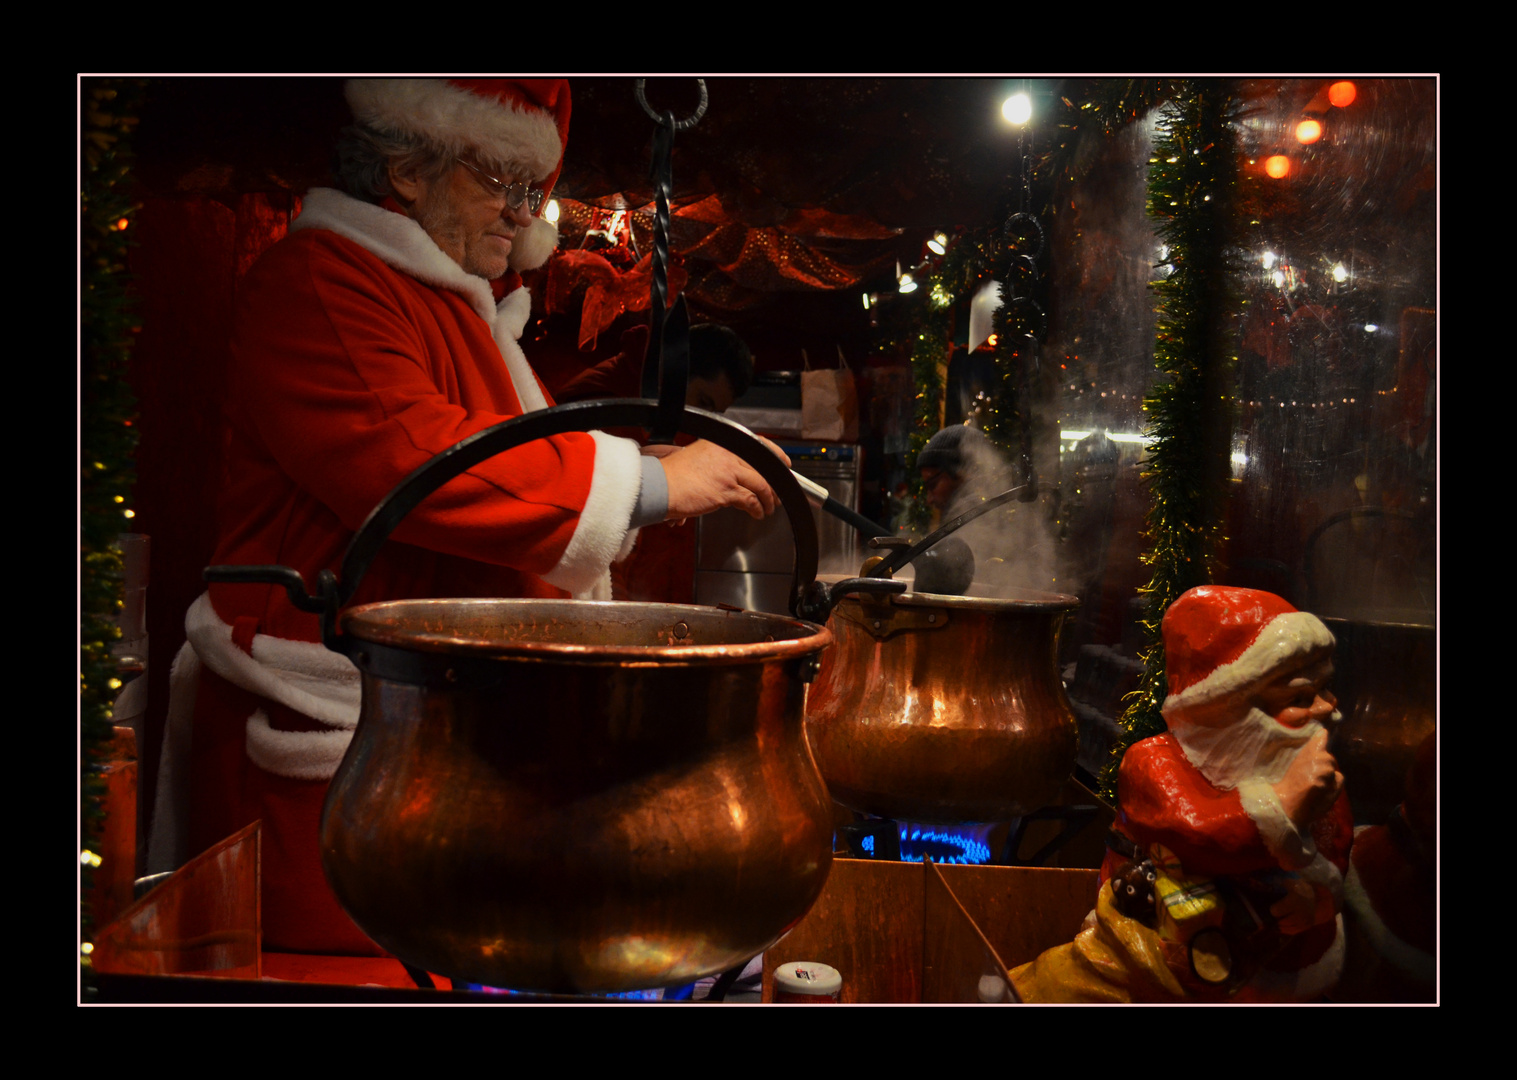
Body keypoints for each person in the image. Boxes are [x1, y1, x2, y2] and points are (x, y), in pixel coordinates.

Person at [152, 78, 788, 956]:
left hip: (414, 737)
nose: (523, 216)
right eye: (503, 183)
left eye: (535, 192)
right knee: (328, 969)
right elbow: (412, 459)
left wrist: (659, 473)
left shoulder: (447, 301)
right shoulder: (323, 277)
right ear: (409, 167)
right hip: (332, 723)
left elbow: (485, 453)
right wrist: (653, 485)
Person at [1010, 586, 1355, 1002]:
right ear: (1227, 708)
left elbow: (1335, 847)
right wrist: (1284, 804)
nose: (1324, 710)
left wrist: (1317, 897)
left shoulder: (1319, 774)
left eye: (1326, 690)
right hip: (1149, 951)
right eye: (1299, 698)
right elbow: (1198, 835)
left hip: (1281, 970)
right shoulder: (1154, 762)